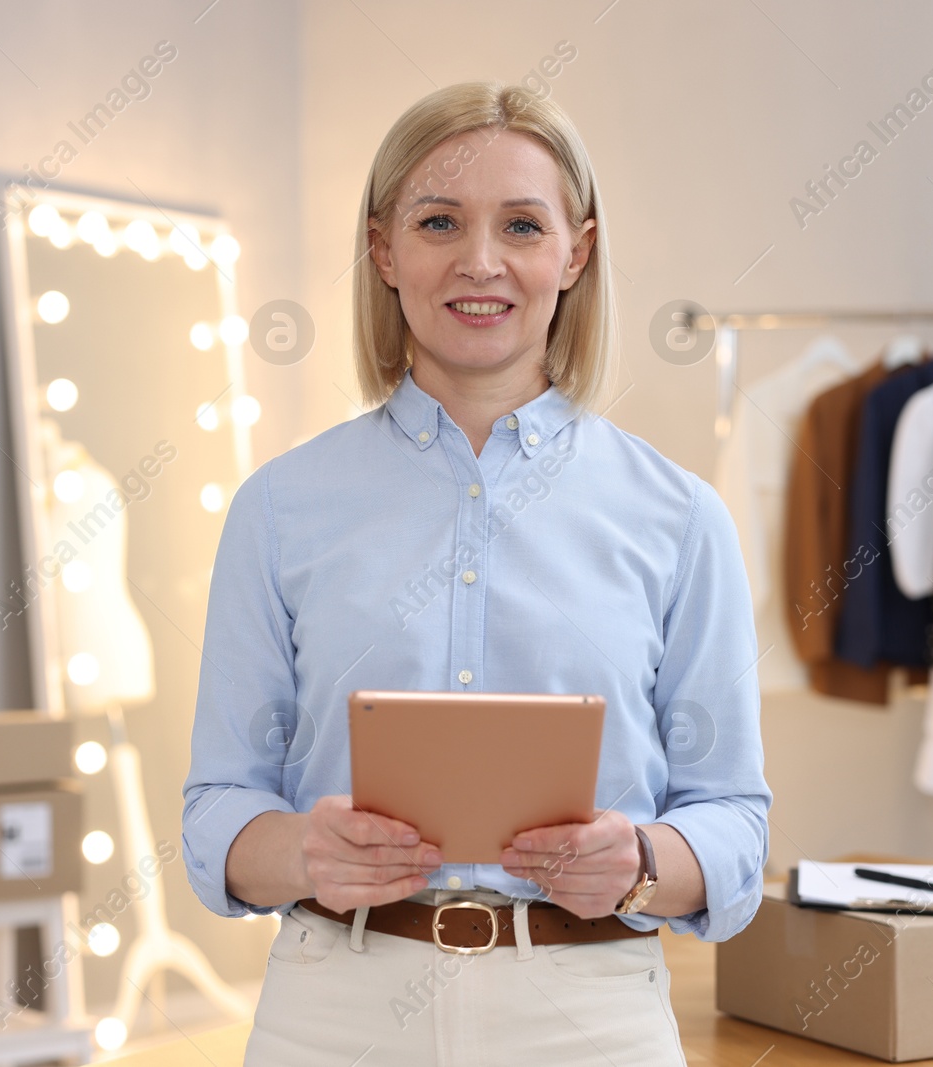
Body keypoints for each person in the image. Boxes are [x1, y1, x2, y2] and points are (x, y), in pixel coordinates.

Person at [182, 80, 771, 1066]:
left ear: (575, 251)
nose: (480, 261)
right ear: (383, 248)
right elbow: (217, 808)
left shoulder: (679, 518)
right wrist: (302, 851)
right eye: (440, 221)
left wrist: (636, 862)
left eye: (523, 225)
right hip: (334, 1013)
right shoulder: (279, 507)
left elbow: (734, 821)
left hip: (591, 1017)